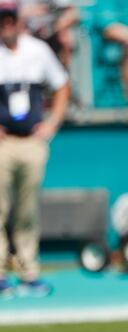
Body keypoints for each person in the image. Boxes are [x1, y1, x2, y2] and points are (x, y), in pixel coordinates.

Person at [0, 0, 68, 298]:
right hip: (4, 142)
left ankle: (28, 271)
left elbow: (62, 85)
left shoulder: (36, 50)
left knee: (27, 209)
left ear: (18, 19)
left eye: (9, 18)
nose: (6, 24)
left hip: (30, 140)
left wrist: (52, 122)